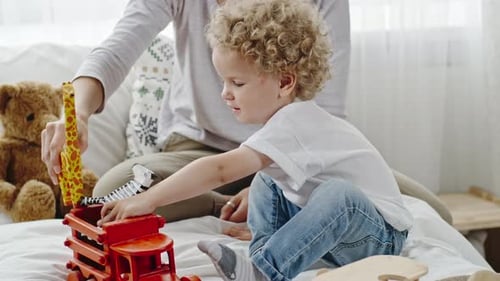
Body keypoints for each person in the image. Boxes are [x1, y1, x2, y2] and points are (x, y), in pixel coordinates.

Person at [97, 1, 413, 280]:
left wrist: (149, 199)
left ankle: (265, 270)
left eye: (237, 82)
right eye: (224, 81)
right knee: (266, 180)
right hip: (340, 234)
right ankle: (270, 248)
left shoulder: (298, 121)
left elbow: (220, 170)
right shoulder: (279, 123)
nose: (225, 93)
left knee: (338, 194)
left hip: (380, 237)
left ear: (285, 81)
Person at [41, 0, 351, 224]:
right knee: (114, 191)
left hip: (288, 157)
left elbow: (327, 108)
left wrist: (265, 186)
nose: (225, 92)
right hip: (197, 152)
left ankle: (263, 204)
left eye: (237, 82)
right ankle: (226, 207)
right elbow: (116, 51)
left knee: (371, 192)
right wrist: (77, 115)